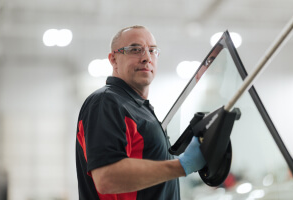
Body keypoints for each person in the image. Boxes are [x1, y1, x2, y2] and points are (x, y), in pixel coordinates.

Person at [76, 25, 206, 200]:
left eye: (152, 50)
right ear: (113, 59)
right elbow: (106, 178)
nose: (146, 58)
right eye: (135, 50)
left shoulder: (139, 108)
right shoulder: (106, 102)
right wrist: (181, 166)